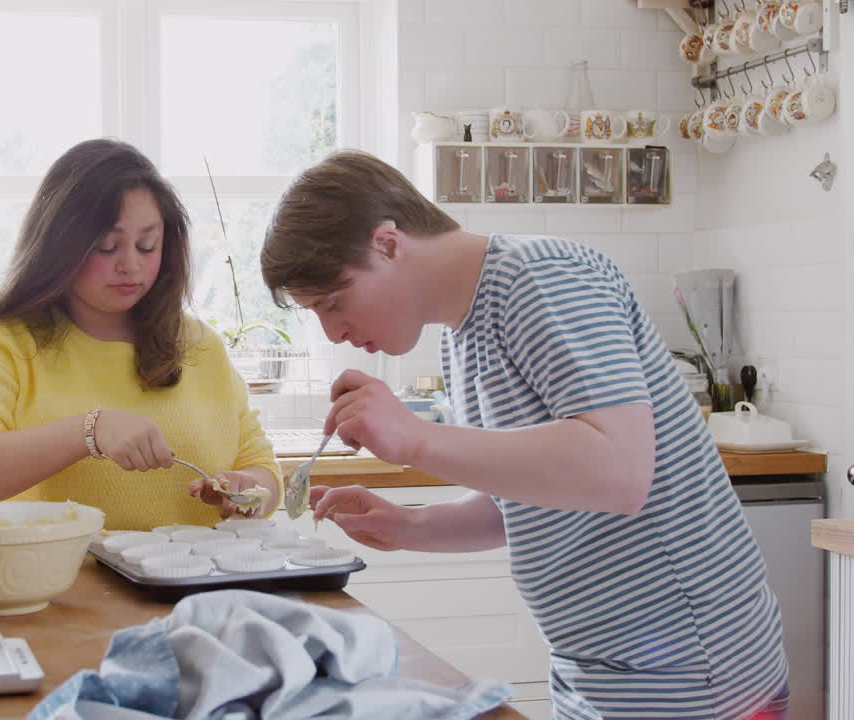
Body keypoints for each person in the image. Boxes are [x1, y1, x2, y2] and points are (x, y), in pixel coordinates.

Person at [259, 150, 789, 720]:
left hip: (690, 666)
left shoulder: (541, 276)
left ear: (387, 243)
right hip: (597, 667)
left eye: (332, 302)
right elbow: (533, 498)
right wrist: (409, 525)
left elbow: (619, 472)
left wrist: (414, 439)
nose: (333, 329)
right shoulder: (462, 336)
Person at [0, 138, 281, 531]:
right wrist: (89, 431)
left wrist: (249, 490)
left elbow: (262, 466)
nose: (130, 265)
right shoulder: (5, 345)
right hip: (58, 588)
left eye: (147, 245)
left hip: (199, 589)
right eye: (108, 247)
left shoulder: (200, 346)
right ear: (60, 246)